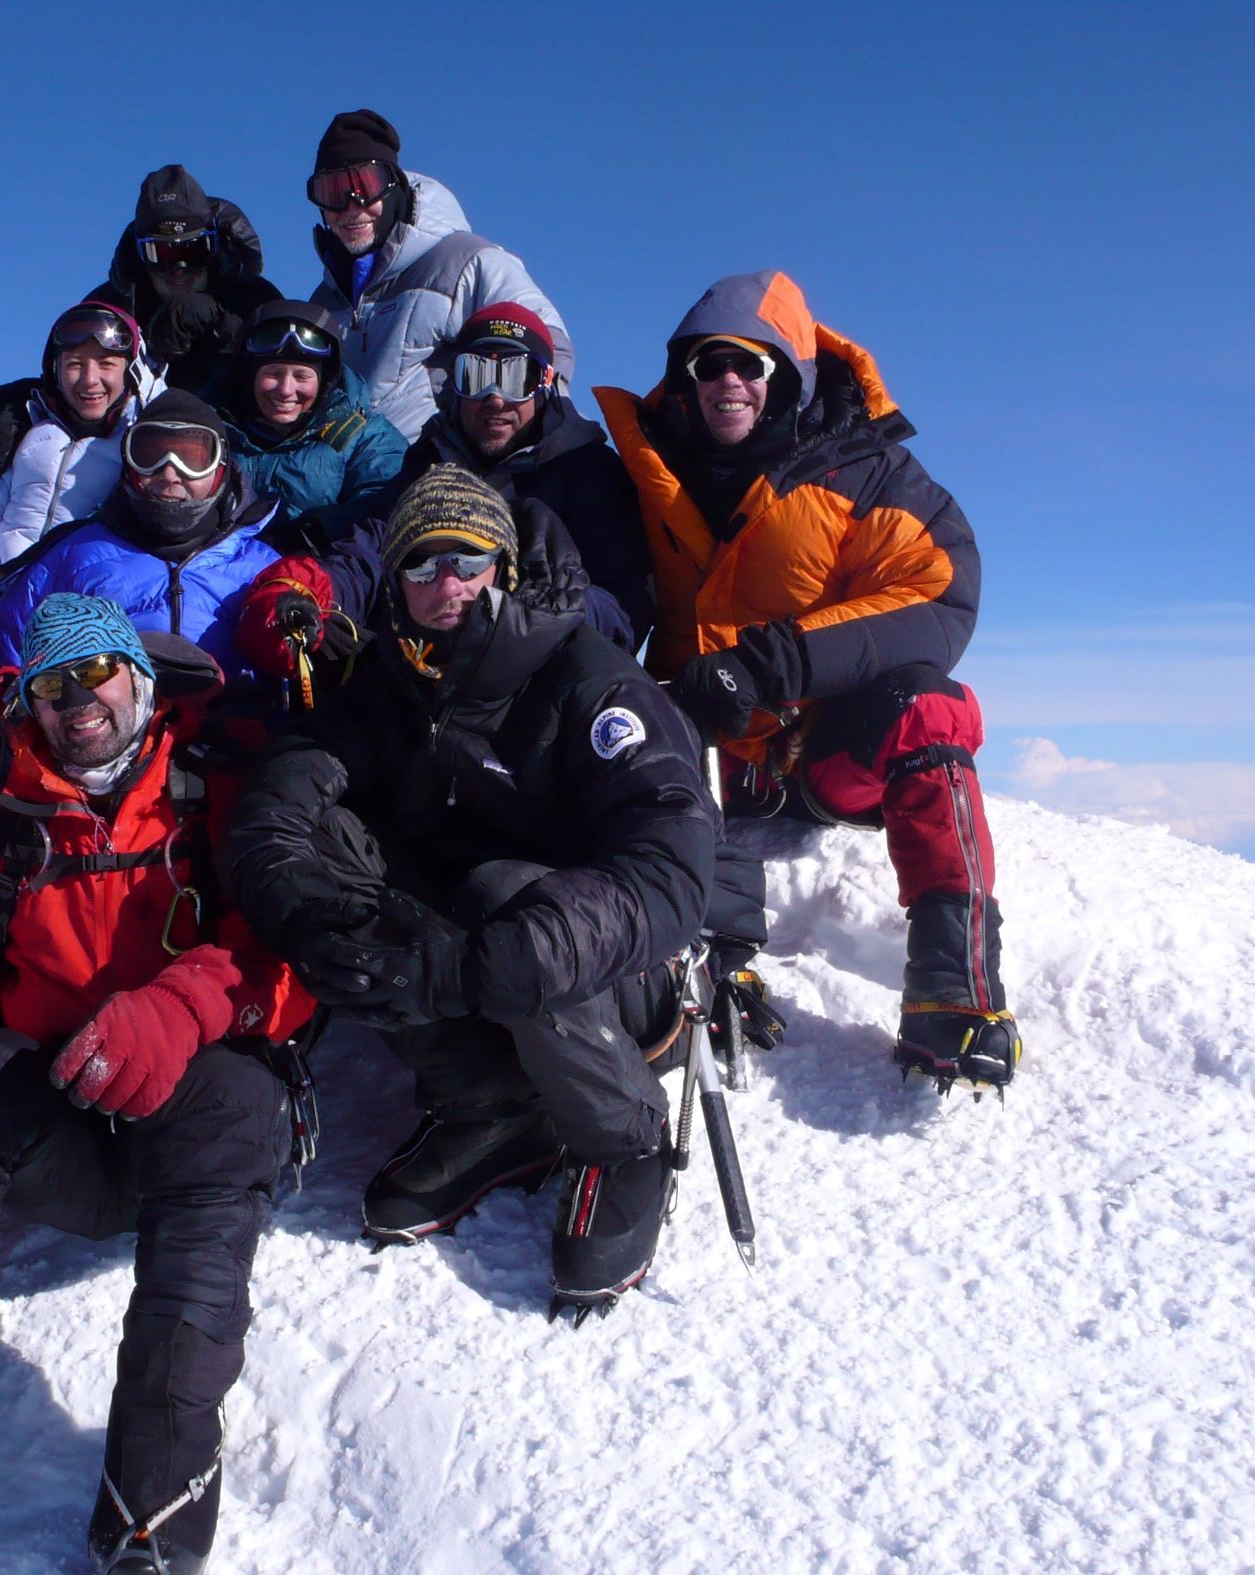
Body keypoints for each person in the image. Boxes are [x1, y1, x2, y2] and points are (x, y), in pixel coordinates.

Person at [0, 595, 311, 1573]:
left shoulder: (218, 799)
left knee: (241, 1100)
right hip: (60, 1130)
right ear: (28, 705)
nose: (77, 699)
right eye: (51, 684)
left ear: (140, 682)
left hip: (194, 1137)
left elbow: (293, 959)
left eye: (95, 673)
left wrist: (182, 1006)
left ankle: (156, 1491)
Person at [220, 469, 718, 1319]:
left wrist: (464, 969)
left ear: (505, 568)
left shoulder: (590, 681)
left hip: (617, 976)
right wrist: (301, 920)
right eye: (420, 564)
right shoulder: (395, 676)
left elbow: (669, 873)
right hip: (482, 955)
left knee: (504, 889)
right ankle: (491, 1105)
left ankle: (620, 1136)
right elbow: (283, 795)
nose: (444, 584)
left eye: (467, 559)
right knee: (330, 848)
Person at [592, 270, 1018, 1091]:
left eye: (749, 363)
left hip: (817, 751)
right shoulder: (643, 468)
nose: (728, 381)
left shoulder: (869, 474)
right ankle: (703, 961)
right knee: (614, 742)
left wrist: (771, 663)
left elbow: (936, 591)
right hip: (701, 750)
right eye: (707, 364)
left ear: (789, 374)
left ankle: (954, 993)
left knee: (931, 710)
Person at [228, 304, 652, 680]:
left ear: (544, 383)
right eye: (476, 375)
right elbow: (373, 550)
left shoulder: (588, 471)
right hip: (423, 670)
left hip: (544, 678)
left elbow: (625, 605)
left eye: (515, 378)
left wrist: (532, 617)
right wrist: (311, 592)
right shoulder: (429, 462)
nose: (495, 398)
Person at [0, 389, 294, 682]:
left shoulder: (262, 568)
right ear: (128, 464)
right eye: (150, 455)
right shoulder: (74, 556)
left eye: (192, 458)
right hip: (107, 725)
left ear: (220, 468)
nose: (170, 472)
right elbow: (0, 662)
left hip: (231, 724)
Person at [303, 109, 573, 442]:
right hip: (352, 470)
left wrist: (528, 448)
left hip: (436, 464)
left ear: (393, 186)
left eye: (365, 186)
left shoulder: (463, 263)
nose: (351, 206)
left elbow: (549, 344)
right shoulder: (325, 299)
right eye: (331, 192)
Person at [0, 301, 161, 610]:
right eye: (75, 364)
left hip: (86, 614)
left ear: (133, 369)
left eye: (106, 364)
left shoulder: (147, 443)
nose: (89, 379)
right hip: (0, 602)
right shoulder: (32, 432)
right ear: (55, 370)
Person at [214, 299, 406, 544]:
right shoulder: (210, 429)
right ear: (249, 375)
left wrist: (321, 531)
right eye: (272, 373)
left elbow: (384, 510)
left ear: (326, 381)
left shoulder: (366, 437)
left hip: (319, 563)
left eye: (302, 376)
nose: (286, 390)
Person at [88, 164, 286, 400]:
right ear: (140, 255)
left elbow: (285, 382)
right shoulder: (108, 310)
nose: (179, 269)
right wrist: (153, 355)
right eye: (162, 255)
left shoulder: (258, 301)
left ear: (214, 247)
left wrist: (228, 330)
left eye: (193, 252)